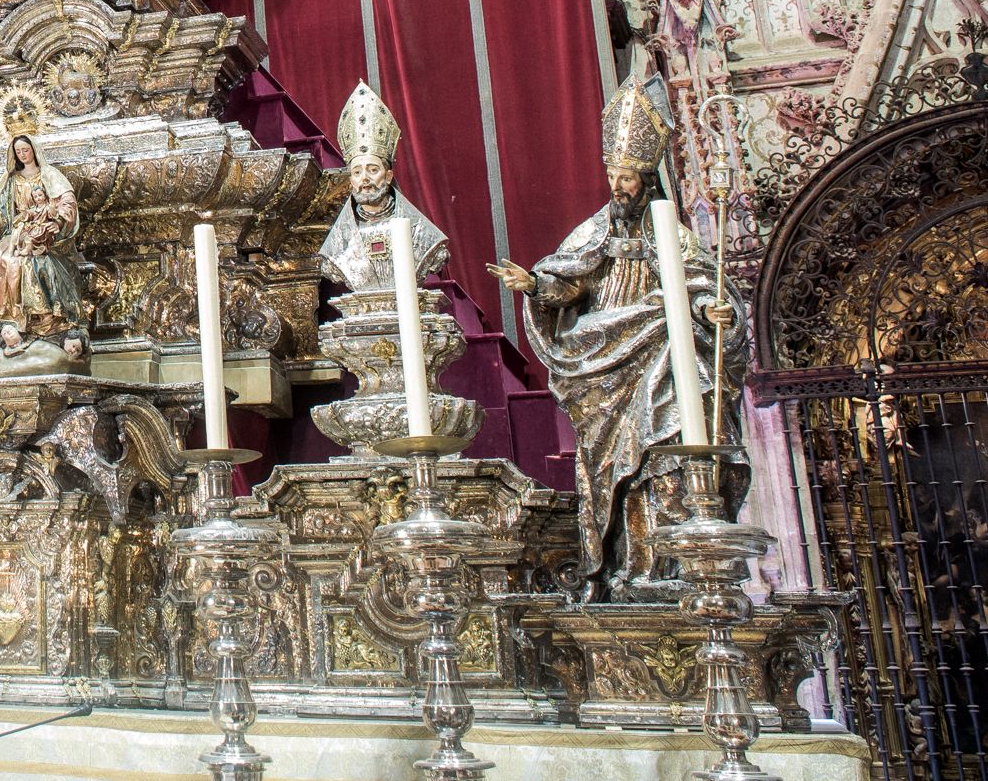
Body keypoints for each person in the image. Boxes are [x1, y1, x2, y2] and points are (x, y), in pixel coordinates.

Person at [488, 76, 741, 592]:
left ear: (647, 179)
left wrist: (711, 309)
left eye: (627, 176)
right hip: (606, 365)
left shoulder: (673, 237)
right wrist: (535, 284)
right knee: (619, 471)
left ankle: (677, 565)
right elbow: (571, 278)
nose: (618, 185)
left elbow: (698, 286)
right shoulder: (595, 231)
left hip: (665, 358)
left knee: (666, 454)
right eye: (612, 175)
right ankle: (630, 565)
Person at [317, 81, 448, 292]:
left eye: (372, 170)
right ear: (350, 180)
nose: (364, 179)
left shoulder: (420, 232)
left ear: (388, 176)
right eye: (357, 172)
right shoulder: (338, 244)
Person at [0, 132, 86, 371]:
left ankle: (36, 319)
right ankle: (4, 318)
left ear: (33, 150)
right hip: (16, 231)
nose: (23, 154)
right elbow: (2, 211)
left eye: (26, 150)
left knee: (22, 263)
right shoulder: (11, 180)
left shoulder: (49, 175)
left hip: (41, 231)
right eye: (18, 152)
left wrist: (58, 221)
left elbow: (67, 202)